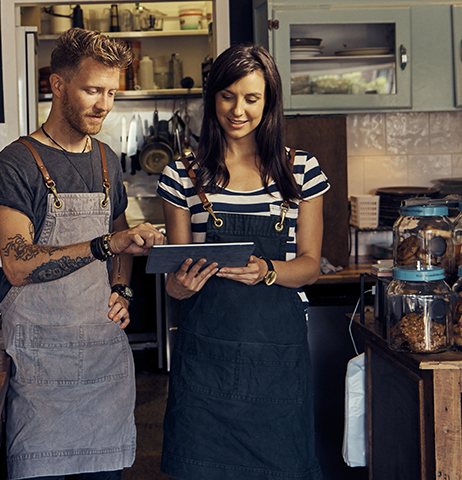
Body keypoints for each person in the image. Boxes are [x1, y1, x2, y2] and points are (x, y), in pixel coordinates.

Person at [0, 28, 163, 480]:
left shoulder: (106, 159)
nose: (103, 104)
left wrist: (121, 286)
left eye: (111, 92)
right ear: (58, 85)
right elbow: (19, 265)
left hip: (103, 369)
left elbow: (122, 238)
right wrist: (106, 245)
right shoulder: (16, 163)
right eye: (92, 90)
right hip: (40, 373)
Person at [157, 44, 329, 479]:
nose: (238, 110)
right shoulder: (184, 174)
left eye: (252, 98)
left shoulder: (300, 169)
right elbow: (172, 282)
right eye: (228, 96)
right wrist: (181, 284)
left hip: (276, 367)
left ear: (269, 102)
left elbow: (310, 265)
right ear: (212, 97)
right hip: (205, 368)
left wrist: (267, 271)